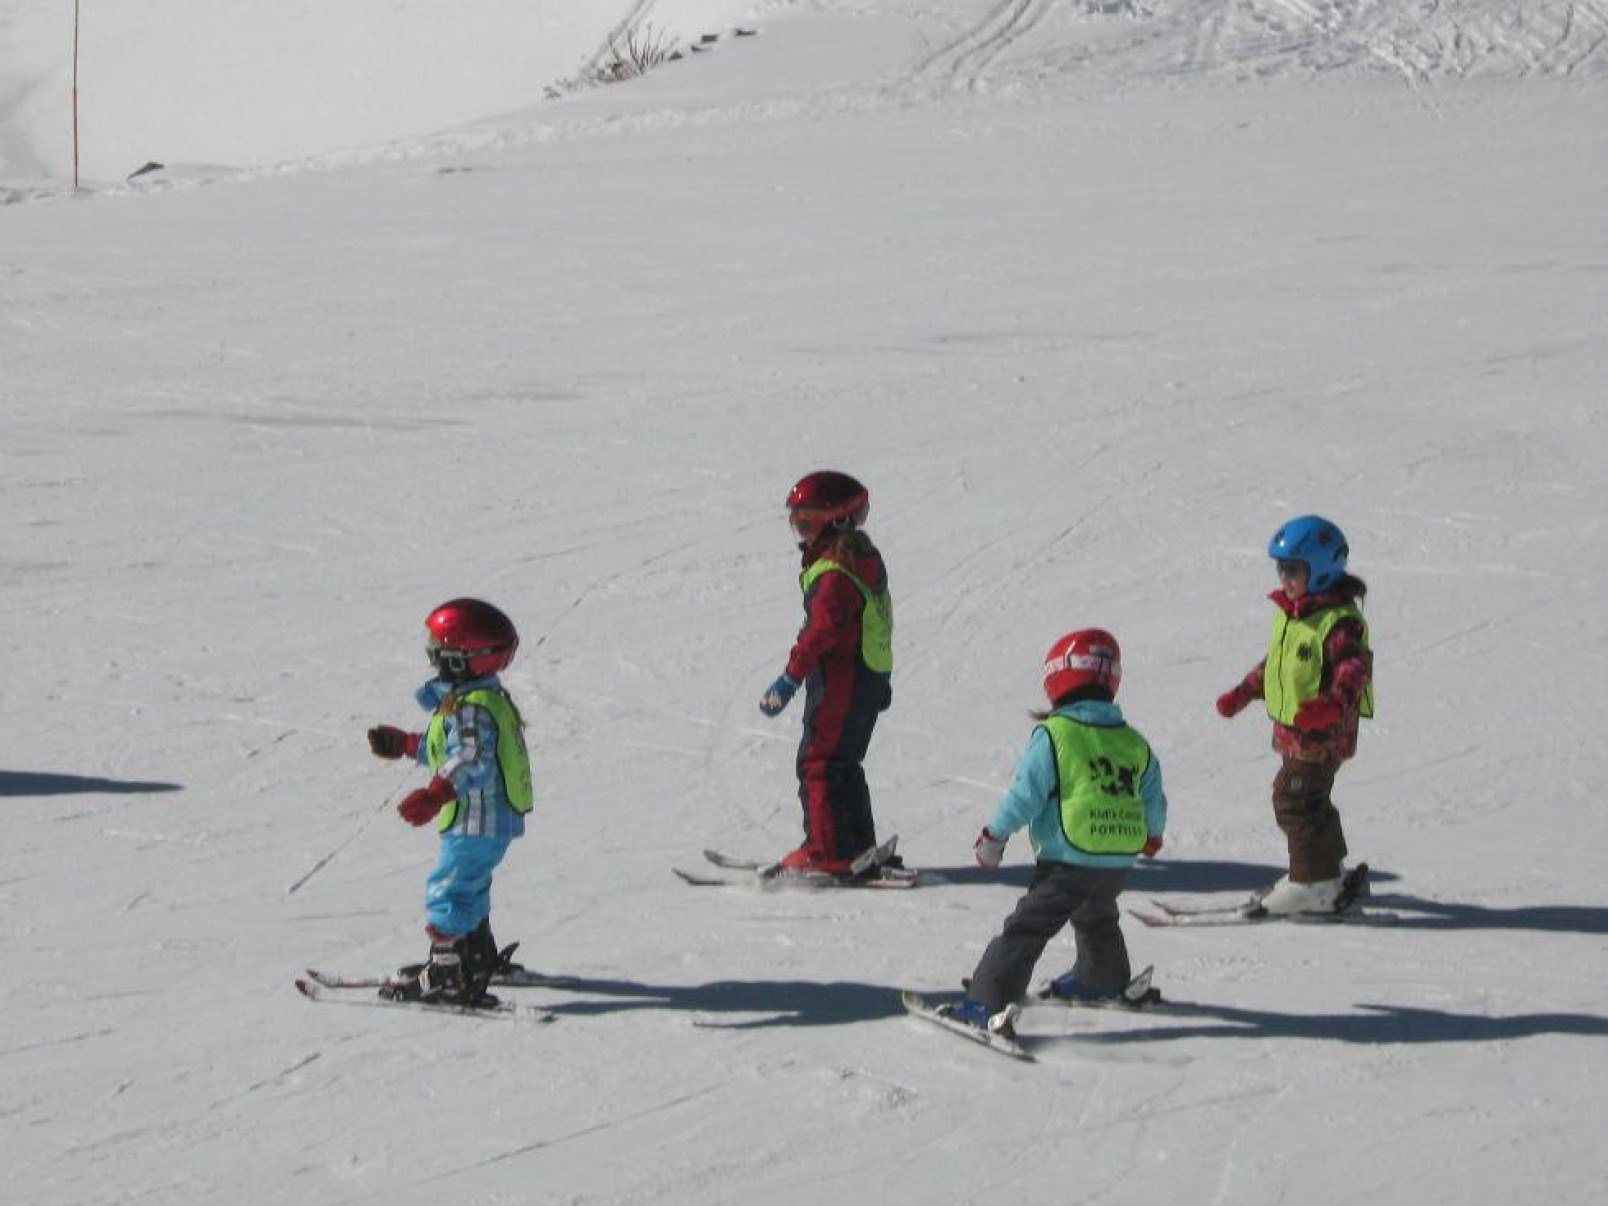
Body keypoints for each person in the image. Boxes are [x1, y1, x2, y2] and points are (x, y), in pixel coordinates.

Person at [944, 629, 1167, 1036]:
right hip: (1117, 857)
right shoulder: (1132, 741)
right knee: (1097, 915)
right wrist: (1152, 834)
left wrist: (994, 835)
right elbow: (1152, 793)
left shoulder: (1055, 735)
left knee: (1027, 927)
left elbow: (1025, 796)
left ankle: (986, 1001)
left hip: (1068, 857)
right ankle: (1102, 977)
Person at [366, 598, 532, 1004]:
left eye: (438, 649)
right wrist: (407, 744)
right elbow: (452, 750)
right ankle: (473, 954)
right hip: (488, 817)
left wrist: (435, 793)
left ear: (463, 659)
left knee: (450, 888)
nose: (431, 655)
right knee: (470, 885)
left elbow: (470, 759)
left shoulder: (472, 708)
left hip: (475, 817)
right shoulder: (478, 698)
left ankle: (446, 972)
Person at [1215, 515, 1374, 915]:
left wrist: (1332, 705)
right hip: (1296, 733)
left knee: (1293, 800)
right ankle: (1327, 873)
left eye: (1294, 570)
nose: (1284, 577)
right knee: (1310, 800)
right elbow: (1277, 664)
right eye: (1281, 568)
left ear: (1320, 573)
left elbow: (1354, 668)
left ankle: (1311, 883)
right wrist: (1245, 691)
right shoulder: (1295, 614)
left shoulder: (1338, 622)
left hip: (1323, 735)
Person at [757, 470, 895, 879]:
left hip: (842, 678)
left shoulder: (834, 572)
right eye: (795, 523)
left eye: (807, 522)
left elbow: (820, 632)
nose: (800, 533)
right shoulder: (862, 558)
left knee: (819, 763)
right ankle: (857, 847)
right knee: (843, 762)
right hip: (864, 677)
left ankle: (827, 853)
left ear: (837, 520)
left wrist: (789, 678)